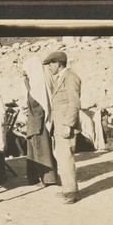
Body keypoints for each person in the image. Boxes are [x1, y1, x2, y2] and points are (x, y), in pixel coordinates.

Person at [43, 51, 82, 204]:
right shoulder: (60, 78)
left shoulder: (71, 78)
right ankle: (67, 189)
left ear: (58, 63)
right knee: (62, 158)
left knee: (66, 158)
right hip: (59, 125)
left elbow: (74, 103)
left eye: (51, 64)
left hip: (66, 125)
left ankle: (72, 192)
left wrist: (68, 125)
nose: (49, 67)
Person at [21, 56, 58, 187]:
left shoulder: (38, 85)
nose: (24, 76)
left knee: (41, 151)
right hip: (35, 122)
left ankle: (46, 179)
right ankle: (36, 177)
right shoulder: (36, 83)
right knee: (34, 151)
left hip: (39, 123)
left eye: (26, 73)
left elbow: (38, 105)